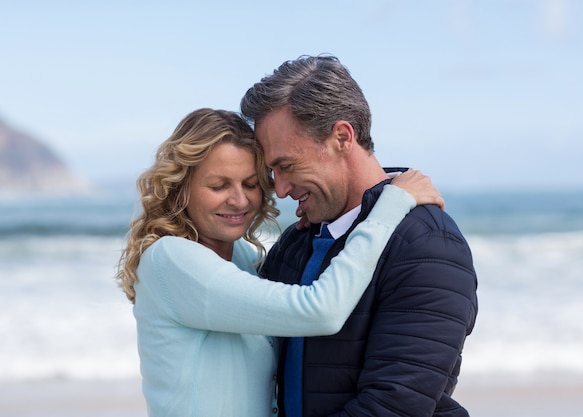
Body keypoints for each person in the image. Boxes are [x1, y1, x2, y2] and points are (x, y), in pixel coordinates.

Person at [115, 108, 444, 417]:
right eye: (218, 186)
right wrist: (388, 209)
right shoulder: (172, 259)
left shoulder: (241, 257)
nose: (239, 200)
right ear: (179, 188)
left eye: (251, 184)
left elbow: (289, 307)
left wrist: (312, 226)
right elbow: (319, 310)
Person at [240, 55, 479, 417]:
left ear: (341, 137)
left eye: (286, 166)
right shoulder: (297, 242)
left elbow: (393, 405)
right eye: (272, 172)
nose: (282, 189)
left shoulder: (426, 243)